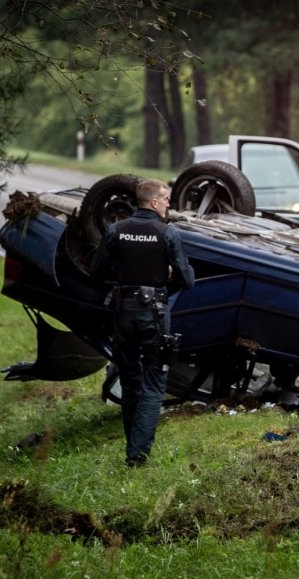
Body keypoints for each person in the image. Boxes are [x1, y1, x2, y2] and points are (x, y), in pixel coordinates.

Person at [89, 179, 195, 467]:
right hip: (155, 317)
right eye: (166, 198)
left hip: (123, 314)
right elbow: (188, 280)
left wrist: (125, 271)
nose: (169, 203)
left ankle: (132, 445)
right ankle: (136, 456)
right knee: (153, 383)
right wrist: (169, 273)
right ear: (154, 202)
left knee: (130, 380)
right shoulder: (167, 232)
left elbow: (96, 273)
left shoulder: (115, 230)